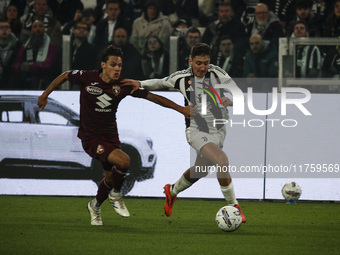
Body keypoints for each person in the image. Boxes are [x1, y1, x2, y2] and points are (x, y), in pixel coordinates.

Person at [37, 45, 194, 226]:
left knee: (110, 179)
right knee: (124, 161)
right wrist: (45, 95)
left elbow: (153, 97)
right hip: (90, 137)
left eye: (119, 65)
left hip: (110, 136)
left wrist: (181, 109)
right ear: (103, 65)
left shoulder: (123, 85)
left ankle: (95, 206)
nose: (117, 68)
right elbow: (65, 75)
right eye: (113, 65)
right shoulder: (87, 78)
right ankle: (117, 195)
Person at [122, 43, 246, 223]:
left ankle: (171, 191)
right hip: (196, 129)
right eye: (198, 63)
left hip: (218, 130)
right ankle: (235, 207)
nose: (202, 67)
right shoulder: (182, 77)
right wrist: (139, 83)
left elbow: (240, 96)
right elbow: (159, 82)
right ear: (191, 62)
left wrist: (231, 101)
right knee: (222, 161)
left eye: (205, 63)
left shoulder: (218, 73)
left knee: (200, 171)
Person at [11, 19, 61, 89]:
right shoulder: (25, 46)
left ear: (44, 29)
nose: (38, 29)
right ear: (31, 30)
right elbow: (17, 62)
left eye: (40, 26)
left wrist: (31, 67)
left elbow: (48, 64)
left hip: (44, 79)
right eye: (35, 27)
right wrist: (19, 67)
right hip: (26, 79)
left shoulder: (51, 46)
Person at [0, 19, 20, 88]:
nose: (4, 30)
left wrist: (4, 70)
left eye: (6, 27)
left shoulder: (18, 45)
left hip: (13, 79)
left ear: (10, 30)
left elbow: (18, 63)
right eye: (1, 28)